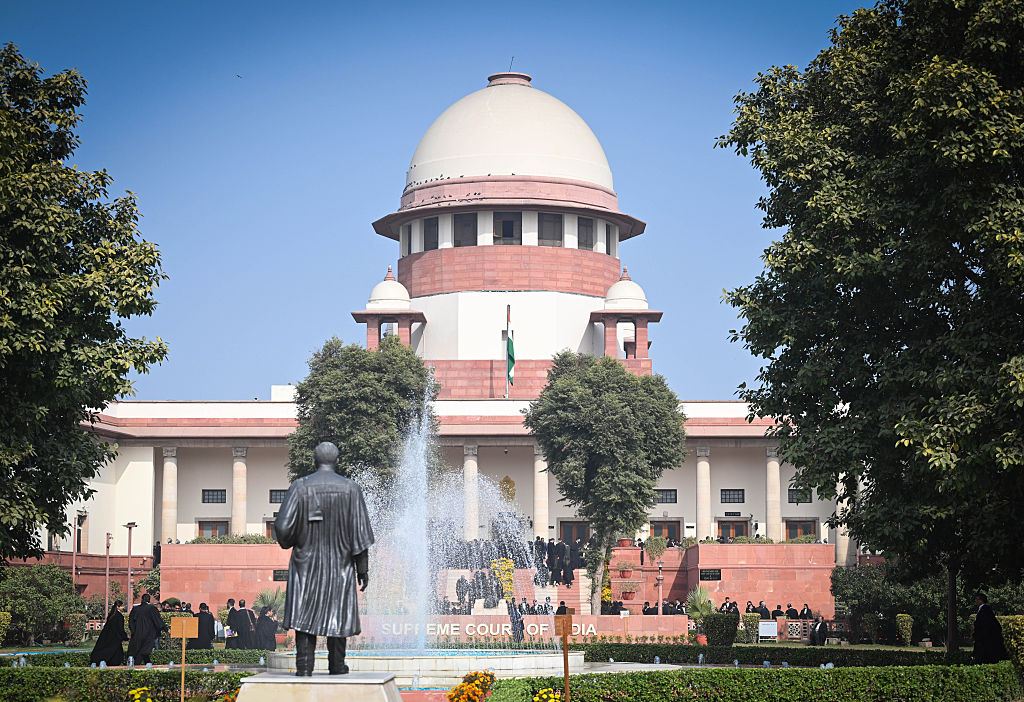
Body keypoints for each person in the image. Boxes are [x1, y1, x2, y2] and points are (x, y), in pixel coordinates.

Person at [275, 441, 375, 677]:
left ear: (315, 460)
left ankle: (304, 667)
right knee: (338, 614)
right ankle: (337, 666)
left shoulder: (299, 487)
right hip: (339, 566)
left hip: (305, 565)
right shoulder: (351, 489)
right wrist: (362, 569)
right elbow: (360, 535)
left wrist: (293, 540)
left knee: (304, 615)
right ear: (336, 461)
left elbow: (282, 526)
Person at [127, 593, 167, 665]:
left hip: (137, 634)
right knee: (143, 651)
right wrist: (166, 629)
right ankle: (138, 665)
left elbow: (130, 622)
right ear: (149, 600)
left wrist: (133, 631)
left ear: (142, 599)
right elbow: (158, 621)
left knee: (138, 650)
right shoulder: (152, 609)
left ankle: (144, 664)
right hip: (148, 635)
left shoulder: (135, 609)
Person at [973, 593, 1008, 663]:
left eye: (977, 599)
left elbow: (984, 624)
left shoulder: (984, 610)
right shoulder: (984, 609)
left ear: (981, 600)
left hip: (986, 638)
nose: (975, 601)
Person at [90, 601, 127, 666]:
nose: (123, 607)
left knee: (108, 650)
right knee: (115, 652)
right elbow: (120, 628)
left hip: (108, 636)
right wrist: (124, 636)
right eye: (121, 606)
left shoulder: (111, 615)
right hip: (115, 637)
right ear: (118, 607)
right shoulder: (119, 616)